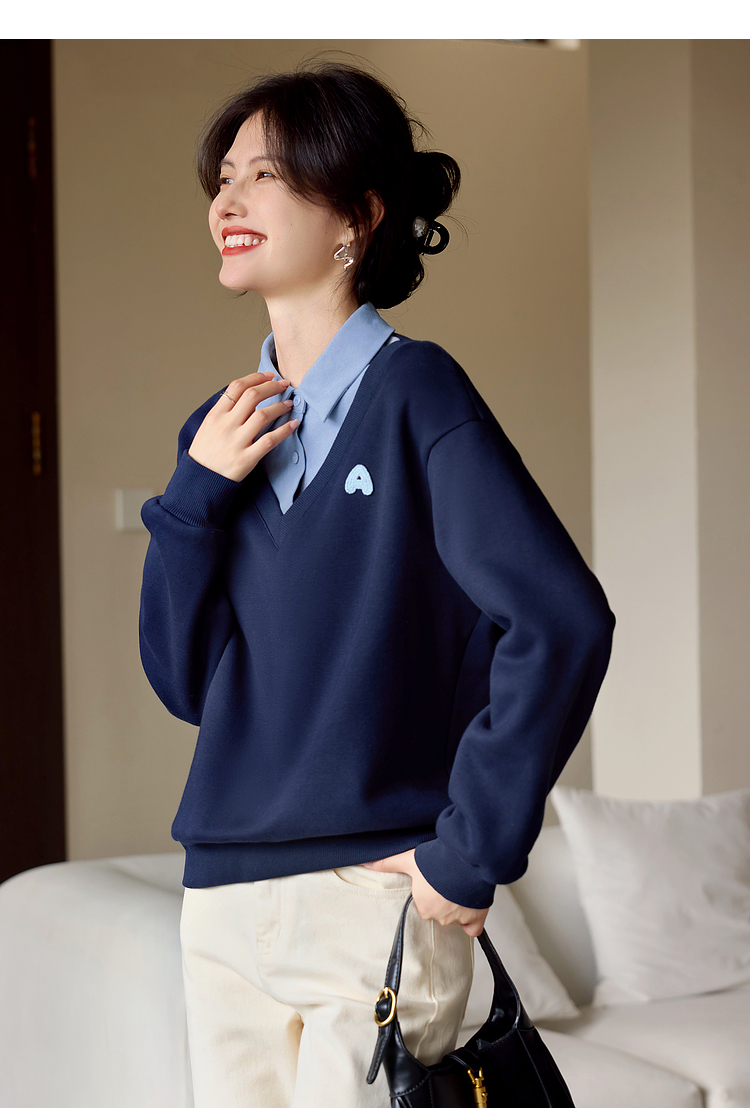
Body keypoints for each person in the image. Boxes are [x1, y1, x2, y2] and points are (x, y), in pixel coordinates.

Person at [139, 60, 615, 1108]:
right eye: (223, 177)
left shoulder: (417, 393)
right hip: (221, 901)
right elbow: (187, 685)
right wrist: (191, 500)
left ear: (356, 215)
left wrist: (469, 852)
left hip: (374, 897)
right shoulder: (214, 438)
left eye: (265, 174)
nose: (228, 199)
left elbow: (562, 620)